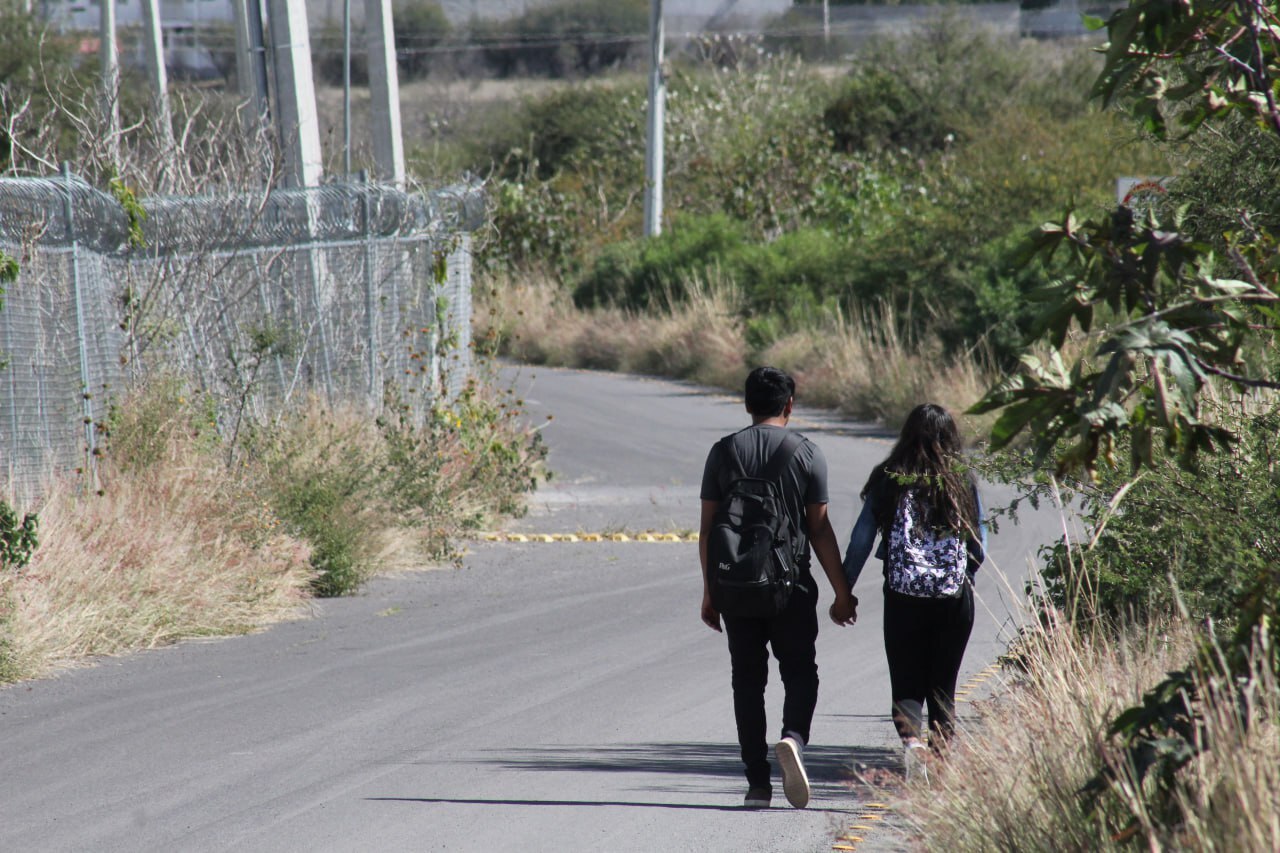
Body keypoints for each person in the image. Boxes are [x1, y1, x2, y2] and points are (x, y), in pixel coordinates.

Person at [699, 366, 858, 810]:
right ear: (790, 405)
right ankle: (793, 739)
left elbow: (709, 531)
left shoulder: (722, 452)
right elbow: (820, 530)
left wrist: (710, 593)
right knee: (800, 671)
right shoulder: (807, 452)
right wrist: (841, 593)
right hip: (790, 587)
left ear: (747, 404)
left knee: (746, 683)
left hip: (736, 587)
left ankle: (757, 785)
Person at [841, 403, 986, 784]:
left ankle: (913, 748)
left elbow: (859, 542)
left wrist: (845, 591)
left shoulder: (889, 478)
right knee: (943, 691)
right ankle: (939, 778)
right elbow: (979, 545)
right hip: (954, 602)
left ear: (906, 434)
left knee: (906, 685)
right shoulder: (962, 479)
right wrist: (960, 579)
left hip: (903, 599)